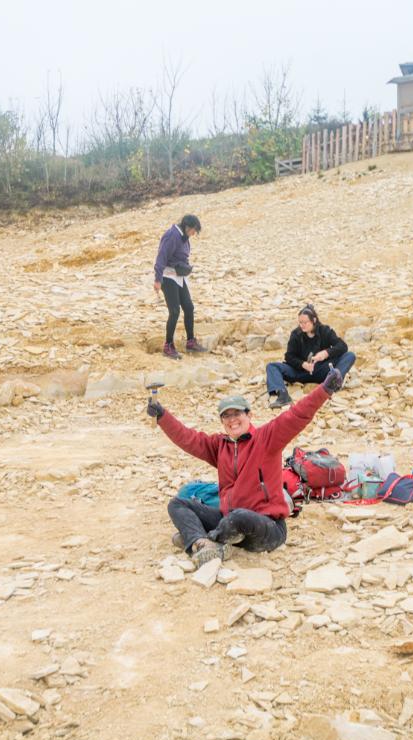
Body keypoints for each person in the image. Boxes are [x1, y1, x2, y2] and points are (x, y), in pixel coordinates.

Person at [148, 367, 345, 566]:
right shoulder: (219, 446)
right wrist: (163, 417)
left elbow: (296, 416)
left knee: (239, 517)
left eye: (237, 413)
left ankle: (204, 537)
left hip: (266, 526)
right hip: (229, 520)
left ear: (249, 415)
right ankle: (202, 543)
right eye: (226, 416)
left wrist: (324, 390)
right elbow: (188, 438)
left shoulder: (267, 438)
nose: (232, 419)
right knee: (178, 504)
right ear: (222, 421)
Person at [265, 304, 356, 408]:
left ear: (314, 320)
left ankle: (334, 381)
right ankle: (283, 396)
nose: (302, 325)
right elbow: (289, 356)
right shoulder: (296, 334)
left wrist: (326, 353)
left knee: (349, 356)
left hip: (322, 370)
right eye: (300, 322)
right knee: (272, 366)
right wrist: (302, 364)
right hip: (300, 372)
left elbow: (342, 346)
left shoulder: (325, 330)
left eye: (305, 322)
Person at [153, 214, 207, 360]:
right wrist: (158, 279)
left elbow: (182, 256)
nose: (194, 234)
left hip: (179, 276)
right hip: (167, 276)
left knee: (189, 307)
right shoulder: (172, 235)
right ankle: (168, 345)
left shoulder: (184, 236)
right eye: (194, 231)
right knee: (175, 311)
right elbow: (161, 257)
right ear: (187, 227)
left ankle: (190, 341)